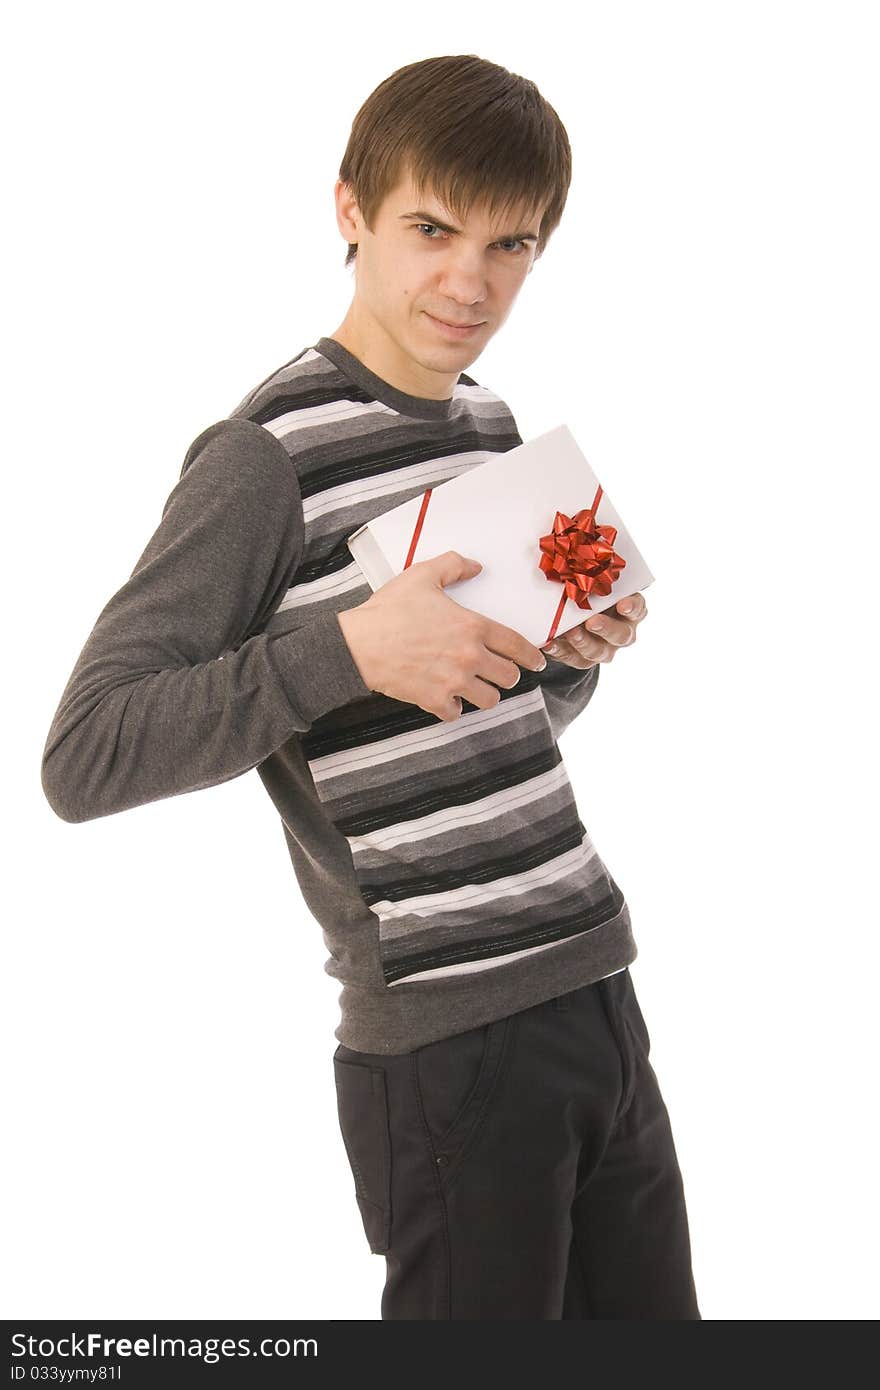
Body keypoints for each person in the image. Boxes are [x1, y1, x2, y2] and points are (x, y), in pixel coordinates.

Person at [40, 53, 700, 1320]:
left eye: (512, 244)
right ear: (349, 211)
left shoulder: (489, 426)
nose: (471, 283)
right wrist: (346, 647)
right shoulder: (259, 457)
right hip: (449, 1043)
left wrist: (568, 661)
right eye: (431, 229)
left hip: (597, 984)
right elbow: (87, 753)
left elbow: (489, 717)